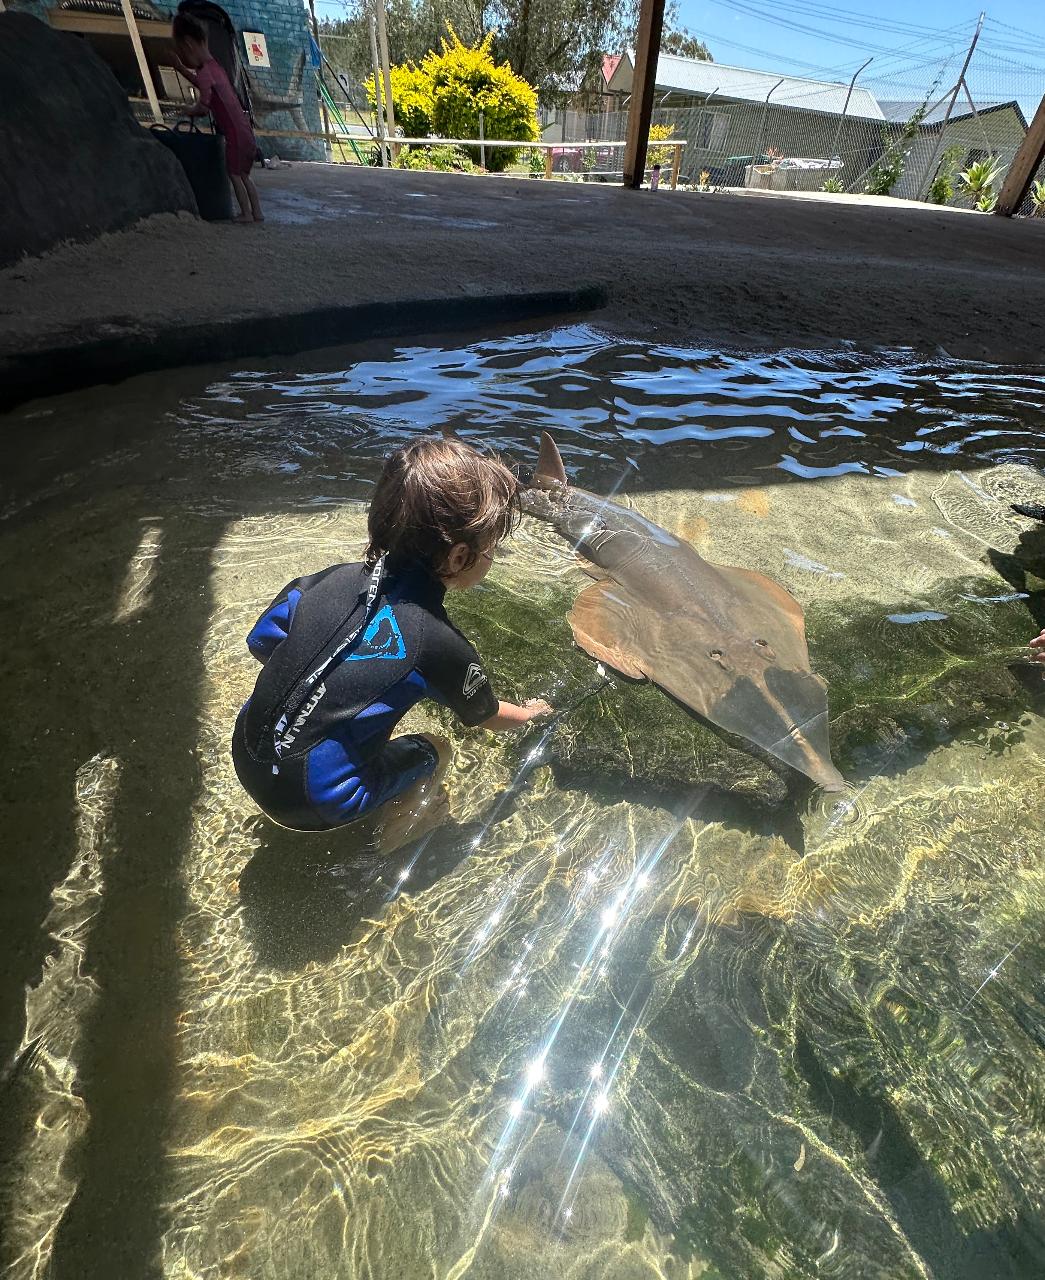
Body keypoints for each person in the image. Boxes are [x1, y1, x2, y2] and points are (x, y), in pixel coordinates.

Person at [232, 436, 552, 843]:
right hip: (315, 801)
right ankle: (391, 842)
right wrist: (532, 713)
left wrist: (314, 692)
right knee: (436, 750)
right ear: (458, 557)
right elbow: (488, 717)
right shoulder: (438, 644)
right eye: (490, 550)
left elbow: (262, 642)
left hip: (245, 753)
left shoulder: (323, 581)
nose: (491, 558)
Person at [171, 13, 263, 224]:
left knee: (234, 175)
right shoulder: (215, 68)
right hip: (245, 131)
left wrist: (188, 110)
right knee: (245, 176)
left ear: (189, 45)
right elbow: (202, 83)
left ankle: (246, 214)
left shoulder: (205, 71)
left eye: (183, 53)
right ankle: (257, 212)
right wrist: (181, 69)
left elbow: (203, 106)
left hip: (234, 136)